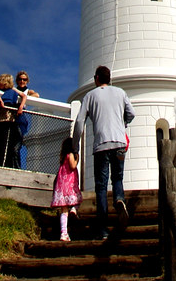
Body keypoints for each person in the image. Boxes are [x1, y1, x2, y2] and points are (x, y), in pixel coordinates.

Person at [73, 65, 135, 239]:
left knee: (101, 186)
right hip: (120, 142)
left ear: (97, 78)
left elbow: (79, 122)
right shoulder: (120, 92)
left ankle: (103, 229)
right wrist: (123, 124)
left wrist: (75, 144)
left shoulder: (90, 96)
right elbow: (132, 113)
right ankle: (119, 199)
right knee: (117, 178)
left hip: (101, 145)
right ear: (109, 78)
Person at [0, 74, 24, 167]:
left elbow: (24, 96)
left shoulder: (12, 90)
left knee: (3, 146)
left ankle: (1, 165)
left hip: (7, 121)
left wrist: (20, 107)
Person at [51, 137, 82, 242]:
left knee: (64, 210)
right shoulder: (71, 155)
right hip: (69, 185)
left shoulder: (63, 158)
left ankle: (63, 233)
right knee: (78, 199)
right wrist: (77, 158)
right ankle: (74, 209)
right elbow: (73, 166)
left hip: (61, 187)